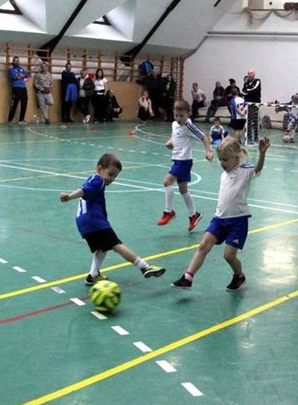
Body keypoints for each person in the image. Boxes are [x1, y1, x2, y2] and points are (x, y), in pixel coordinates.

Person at [171, 136, 270, 292]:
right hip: (219, 218)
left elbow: (257, 169)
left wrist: (262, 153)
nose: (222, 163)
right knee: (203, 246)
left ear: (236, 157)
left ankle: (239, 276)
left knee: (229, 256)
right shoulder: (224, 174)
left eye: (225, 160)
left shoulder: (244, 171)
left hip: (238, 221)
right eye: (220, 160)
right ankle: (187, 278)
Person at [60, 153, 166, 286]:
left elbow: (85, 192)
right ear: (100, 169)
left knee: (103, 248)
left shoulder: (91, 179)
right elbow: (83, 191)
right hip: (94, 222)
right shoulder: (98, 181)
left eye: (115, 176)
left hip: (85, 223)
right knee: (116, 245)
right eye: (110, 174)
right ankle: (144, 266)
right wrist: (69, 197)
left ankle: (93, 275)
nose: (112, 179)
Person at [158, 99, 214, 229]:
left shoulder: (189, 126)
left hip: (184, 161)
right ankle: (194, 214)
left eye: (181, 116)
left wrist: (208, 151)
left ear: (188, 114)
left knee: (167, 182)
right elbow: (174, 137)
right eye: (176, 115)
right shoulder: (174, 124)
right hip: (177, 159)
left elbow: (204, 137)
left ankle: (168, 212)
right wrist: (170, 143)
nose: (178, 119)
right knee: (183, 190)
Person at [7, 57, 30, 125]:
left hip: (23, 88)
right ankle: (10, 120)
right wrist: (21, 76)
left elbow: (27, 75)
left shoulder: (21, 69)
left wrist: (21, 75)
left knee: (24, 104)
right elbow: (14, 76)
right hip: (16, 88)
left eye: (18, 61)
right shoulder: (11, 69)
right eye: (15, 61)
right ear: (13, 61)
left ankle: (21, 120)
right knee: (14, 104)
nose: (17, 62)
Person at [241, 69, 261, 144]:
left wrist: (247, 91)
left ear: (254, 74)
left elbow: (255, 90)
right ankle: (248, 138)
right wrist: (247, 92)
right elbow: (243, 91)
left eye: (251, 73)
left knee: (255, 122)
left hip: (255, 104)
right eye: (249, 73)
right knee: (247, 121)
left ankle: (255, 138)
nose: (250, 75)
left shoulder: (257, 81)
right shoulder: (246, 83)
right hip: (247, 105)